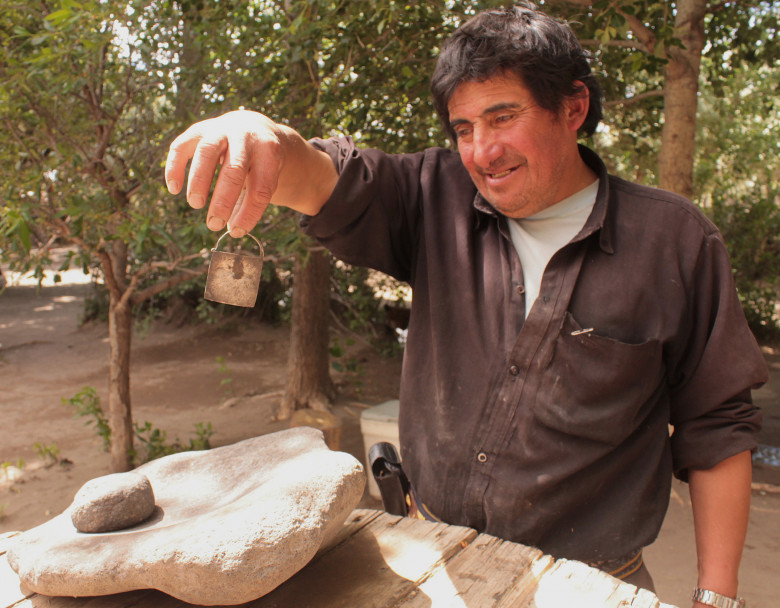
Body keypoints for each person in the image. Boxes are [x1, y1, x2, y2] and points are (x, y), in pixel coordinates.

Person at [165, 4, 767, 606]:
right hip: (435, 560)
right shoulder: (433, 197)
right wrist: (263, 134)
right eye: (463, 128)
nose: (481, 152)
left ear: (573, 108)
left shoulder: (676, 242)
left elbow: (716, 427)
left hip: (593, 583)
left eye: (502, 117)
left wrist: (716, 596)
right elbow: (326, 179)